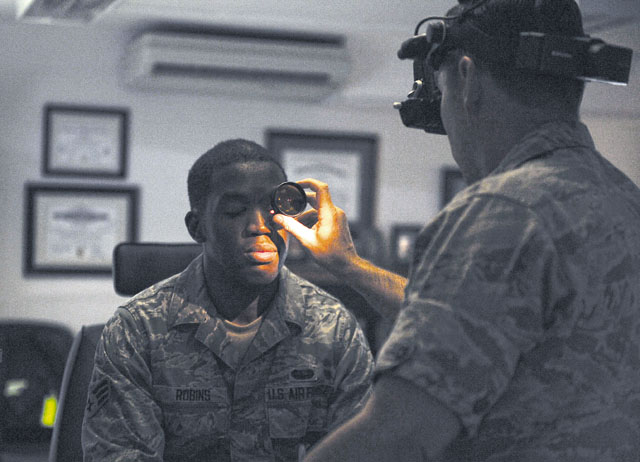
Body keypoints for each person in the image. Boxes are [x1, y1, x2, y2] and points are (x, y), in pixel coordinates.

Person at [273, 1, 640, 461]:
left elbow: (398, 436)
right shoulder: (623, 201)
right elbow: (479, 322)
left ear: (466, 79)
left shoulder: (503, 212)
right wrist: (351, 267)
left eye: (441, 91)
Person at [81, 139, 374, 461]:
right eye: (235, 211)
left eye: (274, 209)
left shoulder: (332, 327)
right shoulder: (137, 330)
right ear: (197, 227)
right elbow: (120, 454)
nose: (259, 225)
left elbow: (364, 451)